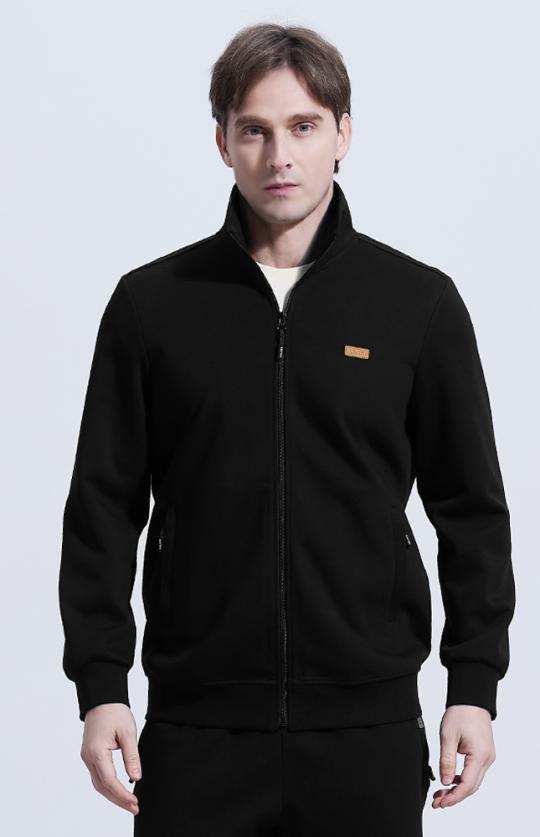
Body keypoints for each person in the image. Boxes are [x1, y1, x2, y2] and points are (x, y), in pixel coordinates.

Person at [58, 22, 516, 836]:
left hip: (367, 727)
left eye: (303, 126)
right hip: (197, 729)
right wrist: (101, 687)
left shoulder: (417, 304)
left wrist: (473, 686)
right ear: (222, 142)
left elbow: (471, 510)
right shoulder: (152, 306)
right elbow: (102, 509)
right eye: (255, 130)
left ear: (344, 133)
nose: (280, 156)